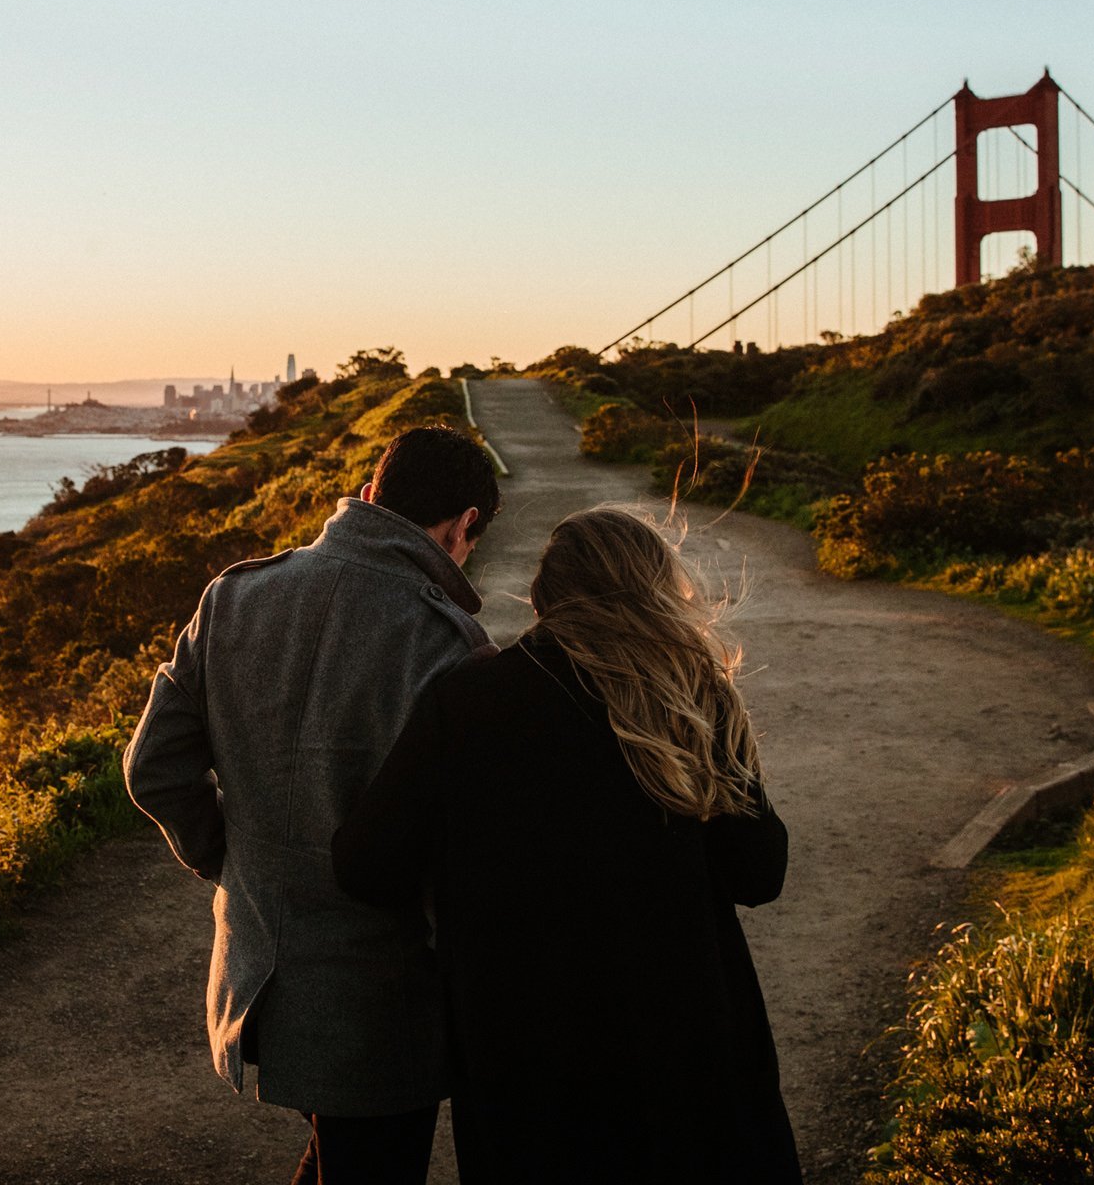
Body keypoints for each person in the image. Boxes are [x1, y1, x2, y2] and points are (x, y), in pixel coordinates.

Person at [332, 507, 800, 1185]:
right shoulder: (692, 700)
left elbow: (366, 865)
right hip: (684, 1053)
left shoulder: (466, 701)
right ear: (655, 592)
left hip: (524, 1056)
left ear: (544, 599)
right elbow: (760, 872)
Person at [125, 424, 502, 1185]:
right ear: (465, 526)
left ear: (370, 493)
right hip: (380, 1002)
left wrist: (229, 862)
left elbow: (153, 767)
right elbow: (461, 847)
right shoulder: (447, 643)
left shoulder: (234, 595)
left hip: (258, 972)